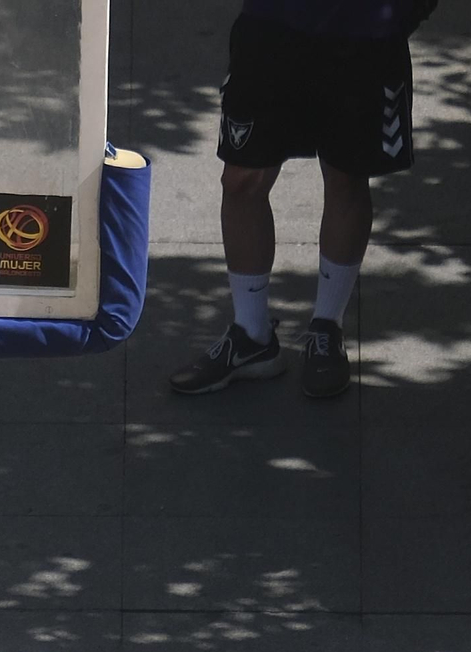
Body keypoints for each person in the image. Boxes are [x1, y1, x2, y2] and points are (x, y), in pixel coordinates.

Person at [170, 0, 438, 399]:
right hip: (272, 25)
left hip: (365, 34)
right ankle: (252, 335)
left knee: (346, 176)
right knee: (242, 179)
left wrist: (398, 17)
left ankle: (327, 326)